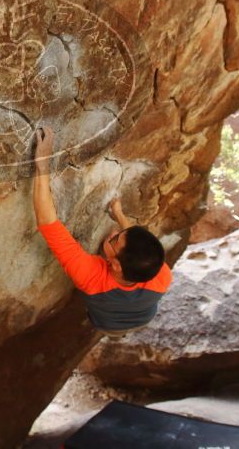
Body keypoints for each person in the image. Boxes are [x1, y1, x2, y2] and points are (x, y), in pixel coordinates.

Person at [32, 126, 172, 338]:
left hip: (107, 325)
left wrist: (42, 167)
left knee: (108, 325)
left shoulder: (92, 278)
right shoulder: (160, 274)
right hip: (144, 317)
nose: (114, 232)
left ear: (115, 264)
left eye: (115, 239)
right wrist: (120, 214)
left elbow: (47, 222)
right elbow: (137, 242)